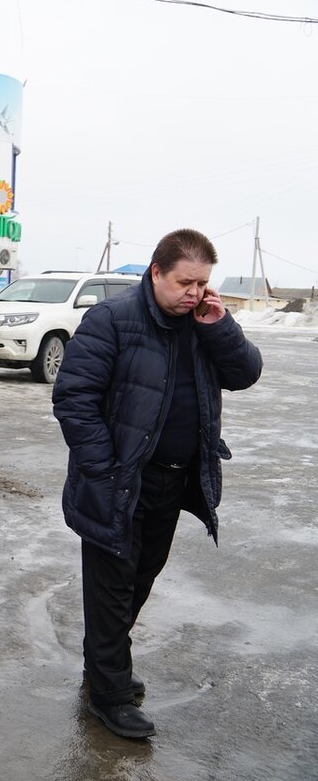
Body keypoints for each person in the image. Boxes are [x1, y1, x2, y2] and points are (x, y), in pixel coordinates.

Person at [52, 228, 262, 739]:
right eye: (185, 282)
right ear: (156, 273)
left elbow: (246, 373)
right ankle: (109, 694)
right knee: (111, 590)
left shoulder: (203, 323)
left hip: (173, 480)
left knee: (140, 579)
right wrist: (104, 470)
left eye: (202, 284)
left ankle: (105, 667)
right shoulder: (112, 320)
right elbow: (73, 399)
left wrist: (221, 326)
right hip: (118, 482)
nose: (194, 292)